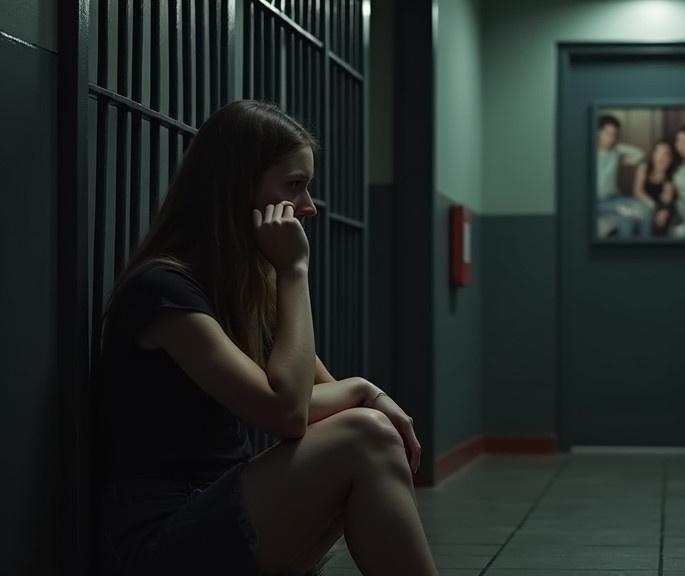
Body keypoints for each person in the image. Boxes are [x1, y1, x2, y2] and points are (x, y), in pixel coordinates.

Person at [94, 100, 438, 576]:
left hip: (221, 513)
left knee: (365, 435)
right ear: (238, 188)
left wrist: (359, 394)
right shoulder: (162, 292)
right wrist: (295, 274)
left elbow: (319, 403)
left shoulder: (243, 289)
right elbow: (287, 413)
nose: (308, 207)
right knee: (367, 435)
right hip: (160, 541)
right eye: (294, 186)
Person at [595, 114, 652, 239]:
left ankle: (646, 251)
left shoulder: (616, 151)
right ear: (599, 132)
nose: (612, 137)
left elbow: (640, 154)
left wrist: (620, 156)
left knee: (645, 210)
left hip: (615, 198)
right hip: (598, 202)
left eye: (615, 134)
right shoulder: (590, 152)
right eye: (608, 133)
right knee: (628, 215)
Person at [632, 140, 681, 237]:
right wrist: (653, 207)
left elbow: (667, 202)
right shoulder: (644, 168)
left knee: (662, 223)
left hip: (664, 210)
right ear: (653, 155)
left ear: (670, 159)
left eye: (666, 154)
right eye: (658, 152)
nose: (661, 157)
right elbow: (637, 191)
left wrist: (663, 212)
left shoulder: (671, 178)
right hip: (645, 206)